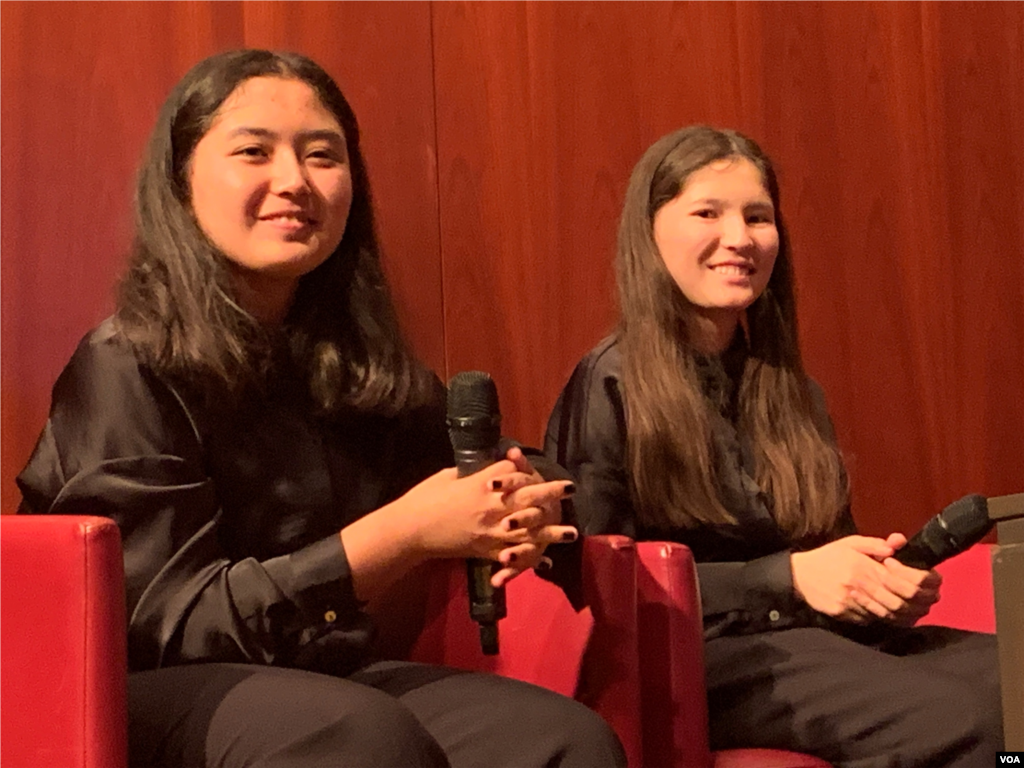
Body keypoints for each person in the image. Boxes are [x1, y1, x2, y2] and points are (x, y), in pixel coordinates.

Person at [17, 49, 626, 768]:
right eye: (254, 152)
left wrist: (529, 504)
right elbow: (168, 623)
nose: (294, 182)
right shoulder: (122, 366)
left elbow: (492, 468)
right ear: (181, 182)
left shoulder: (357, 364)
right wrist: (400, 534)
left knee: (564, 742)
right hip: (134, 692)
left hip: (318, 681)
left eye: (322, 156)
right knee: (356, 734)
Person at [546, 125, 1002, 766]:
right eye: (708, 212)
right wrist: (785, 579)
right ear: (649, 233)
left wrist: (876, 589)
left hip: (817, 640)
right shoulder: (610, 380)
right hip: (703, 656)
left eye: (757, 217)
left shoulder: (791, 388)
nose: (739, 238)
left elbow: (823, 552)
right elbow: (596, 586)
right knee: (967, 723)